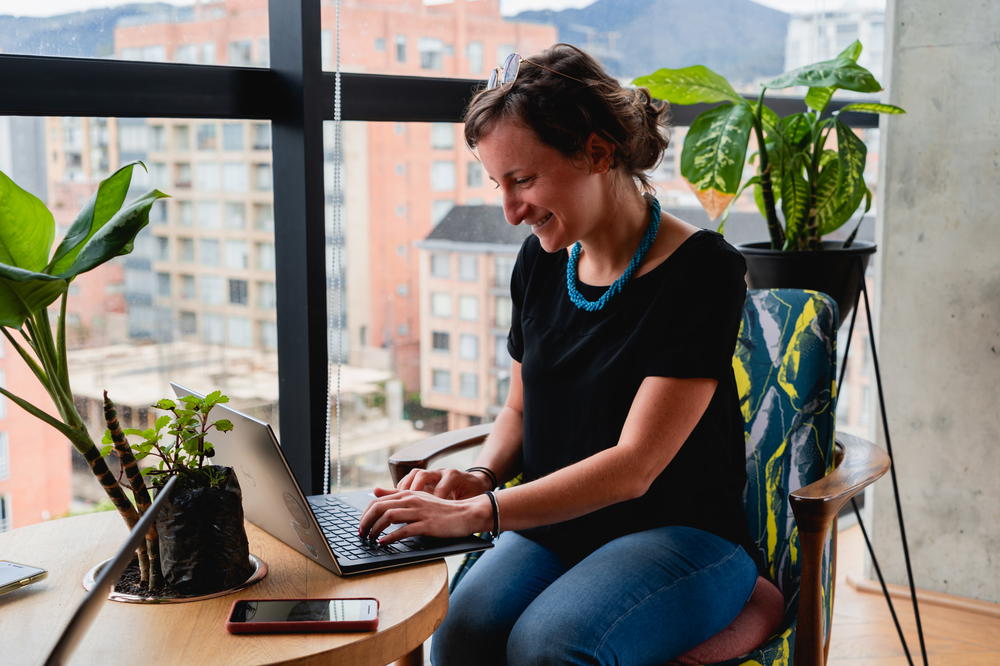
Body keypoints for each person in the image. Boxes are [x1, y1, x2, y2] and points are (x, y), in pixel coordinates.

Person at [359, 43, 758, 665]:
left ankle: (742, 596)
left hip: (681, 535)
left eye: (523, 180)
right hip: (557, 526)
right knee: (460, 634)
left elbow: (634, 467)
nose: (511, 211)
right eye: (498, 184)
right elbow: (518, 412)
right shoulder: (542, 263)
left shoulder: (702, 270)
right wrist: (483, 475)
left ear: (598, 152)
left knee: (551, 645)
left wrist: (476, 515)